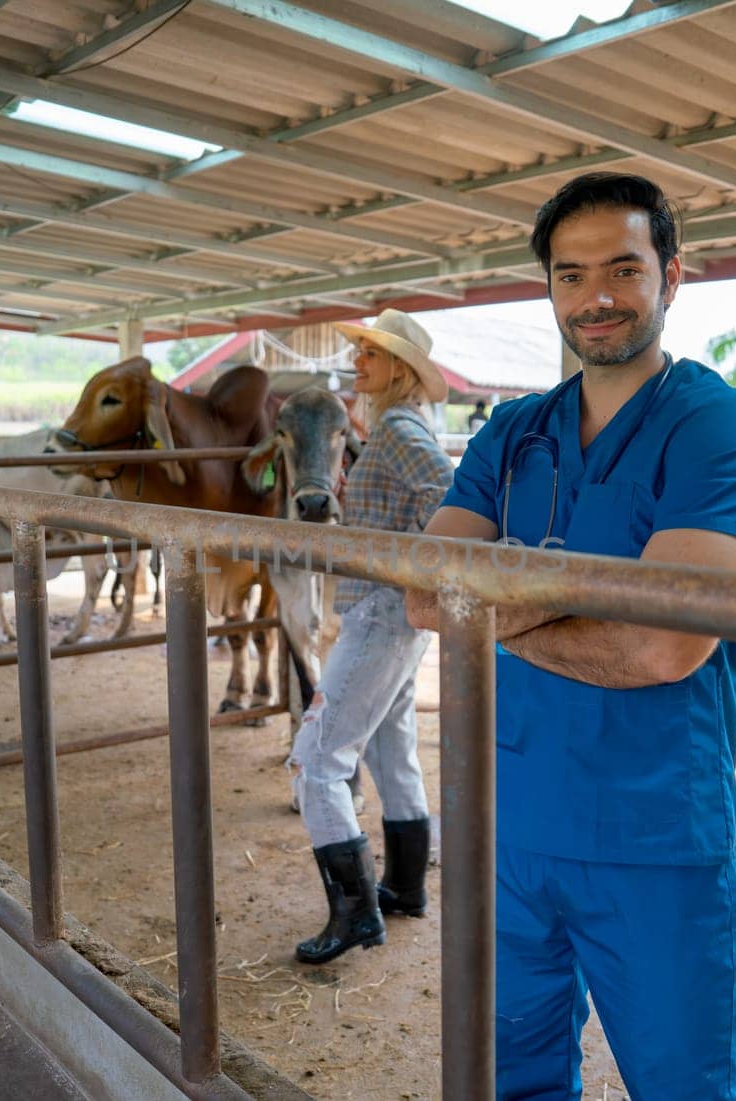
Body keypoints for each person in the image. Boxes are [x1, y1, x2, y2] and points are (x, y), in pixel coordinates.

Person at [406, 173, 736, 1099]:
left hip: (651, 834)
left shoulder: (719, 429)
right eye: (570, 276)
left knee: (683, 1083)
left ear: (671, 276)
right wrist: (582, 603)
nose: (597, 297)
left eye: (622, 268)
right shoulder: (512, 432)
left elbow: (662, 649)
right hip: (507, 819)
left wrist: (494, 606)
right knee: (507, 1075)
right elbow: (424, 598)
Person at [290, 308, 456, 965]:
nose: (358, 362)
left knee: (316, 758)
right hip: (397, 613)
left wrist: (420, 566)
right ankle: (406, 886)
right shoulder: (393, 428)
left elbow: (447, 494)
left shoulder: (395, 431)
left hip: (381, 611)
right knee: (392, 750)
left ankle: (355, 912)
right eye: (359, 352)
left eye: (370, 355)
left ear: (400, 370)